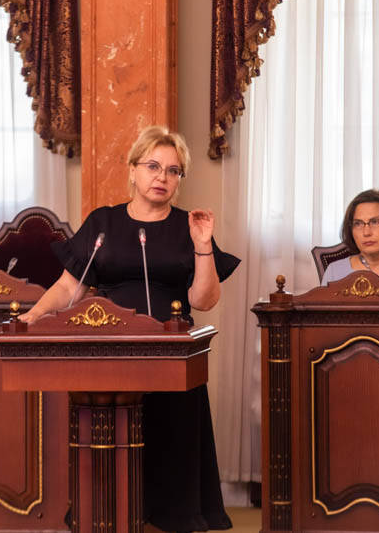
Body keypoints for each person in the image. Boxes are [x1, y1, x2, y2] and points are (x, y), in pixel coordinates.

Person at [20, 125, 238, 532]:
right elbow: (69, 287)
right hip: (109, 352)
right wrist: (32, 317)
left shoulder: (187, 227)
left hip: (171, 356)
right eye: (153, 166)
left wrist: (203, 244)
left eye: (173, 170)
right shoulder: (103, 223)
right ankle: (108, 514)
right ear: (133, 170)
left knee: (170, 445)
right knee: (113, 443)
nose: (162, 177)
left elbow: (204, 300)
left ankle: (172, 518)